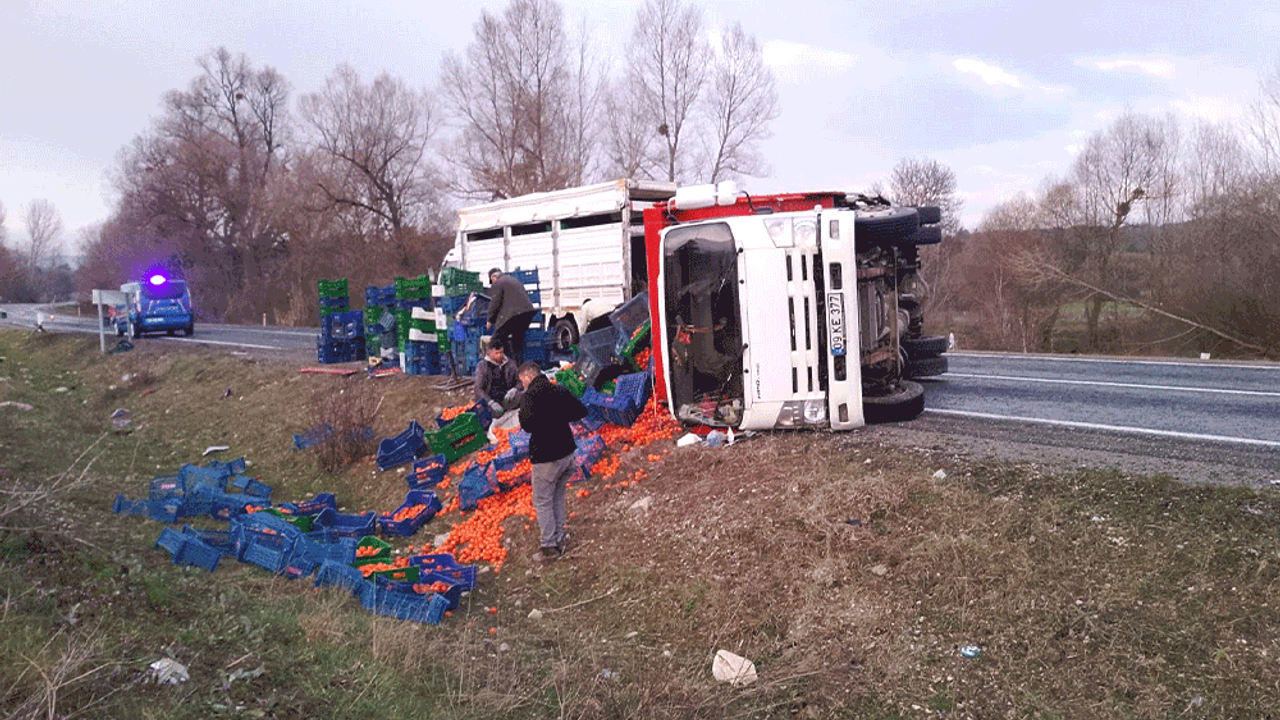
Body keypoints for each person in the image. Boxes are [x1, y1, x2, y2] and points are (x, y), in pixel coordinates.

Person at [517, 360, 588, 561]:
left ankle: (549, 546)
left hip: (546, 457)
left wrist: (543, 421)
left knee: (543, 501)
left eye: (522, 380)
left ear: (527, 376)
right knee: (557, 496)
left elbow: (526, 424)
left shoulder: (530, 396)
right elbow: (581, 410)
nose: (523, 384)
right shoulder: (559, 390)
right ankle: (560, 537)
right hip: (567, 453)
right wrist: (559, 416)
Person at [486, 268, 537, 362]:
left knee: (497, 338)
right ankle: (518, 366)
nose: (492, 282)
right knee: (517, 342)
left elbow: (495, 303)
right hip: (527, 313)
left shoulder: (499, 283)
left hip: (515, 315)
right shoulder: (513, 280)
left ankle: (493, 363)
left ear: (494, 277)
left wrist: (490, 320)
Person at [474, 339, 521, 416]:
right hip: (490, 401)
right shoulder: (482, 366)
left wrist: (514, 390)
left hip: (507, 399)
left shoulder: (510, 364)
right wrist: (490, 402)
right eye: (496, 353)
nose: (499, 355)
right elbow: (478, 388)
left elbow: (519, 382)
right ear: (489, 353)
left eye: (501, 352)